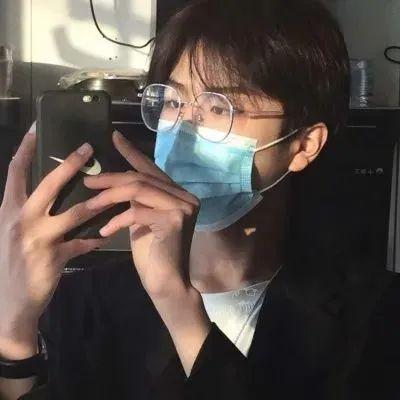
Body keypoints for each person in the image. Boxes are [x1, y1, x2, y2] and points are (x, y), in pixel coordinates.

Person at [1, 0, 399, 399]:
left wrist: (179, 307)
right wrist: (13, 327)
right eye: (173, 102)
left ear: (304, 144)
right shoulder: (88, 302)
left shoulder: (374, 314)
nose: (185, 128)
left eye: (220, 107)